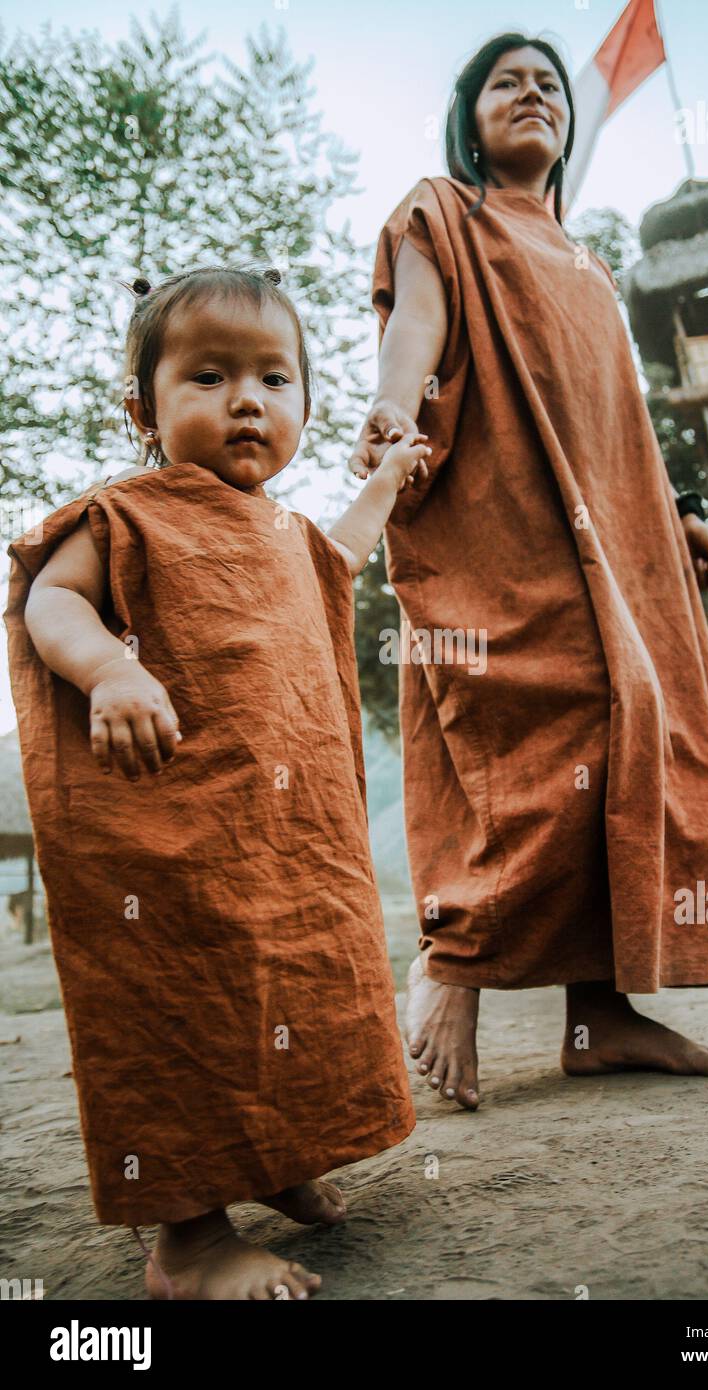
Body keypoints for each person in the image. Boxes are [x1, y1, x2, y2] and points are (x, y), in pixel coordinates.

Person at [349, 32, 708, 1113]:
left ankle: (599, 1015)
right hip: (498, 522)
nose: (532, 94)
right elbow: (417, 321)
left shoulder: (587, 262)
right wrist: (394, 409)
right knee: (533, 724)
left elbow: (617, 415)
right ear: (470, 113)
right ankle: (455, 962)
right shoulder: (440, 212)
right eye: (506, 82)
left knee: (632, 727)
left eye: (548, 84)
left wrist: (673, 511)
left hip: (613, 538)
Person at [5, 266, 431, 1300]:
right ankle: (188, 1238)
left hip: (283, 839)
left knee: (294, 986)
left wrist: (388, 480)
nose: (247, 398)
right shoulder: (123, 515)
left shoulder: (284, 534)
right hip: (169, 842)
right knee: (180, 1010)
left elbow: (336, 560)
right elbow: (47, 605)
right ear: (141, 408)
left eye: (274, 378)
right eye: (207, 374)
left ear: (303, 407)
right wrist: (109, 665)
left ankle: (280, 1157)